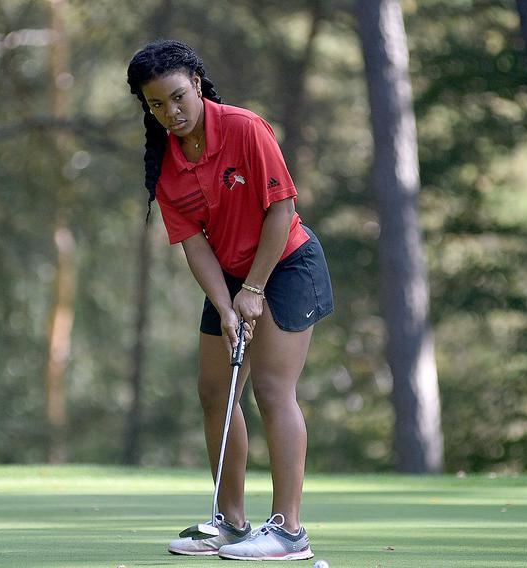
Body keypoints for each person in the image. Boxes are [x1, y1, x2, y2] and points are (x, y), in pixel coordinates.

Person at [126, 39, 333, 561]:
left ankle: (289, 531)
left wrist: (255, 291)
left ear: (196, 83)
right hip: (229, 279)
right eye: (156, 104)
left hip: (285, 266)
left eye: (177, 98)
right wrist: (225, 305)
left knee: (270, 387)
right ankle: (233, 523)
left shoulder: (244, 128)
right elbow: (195, 245)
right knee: (215, 390)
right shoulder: (167, 164)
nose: (170, 113)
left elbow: (281, 209)